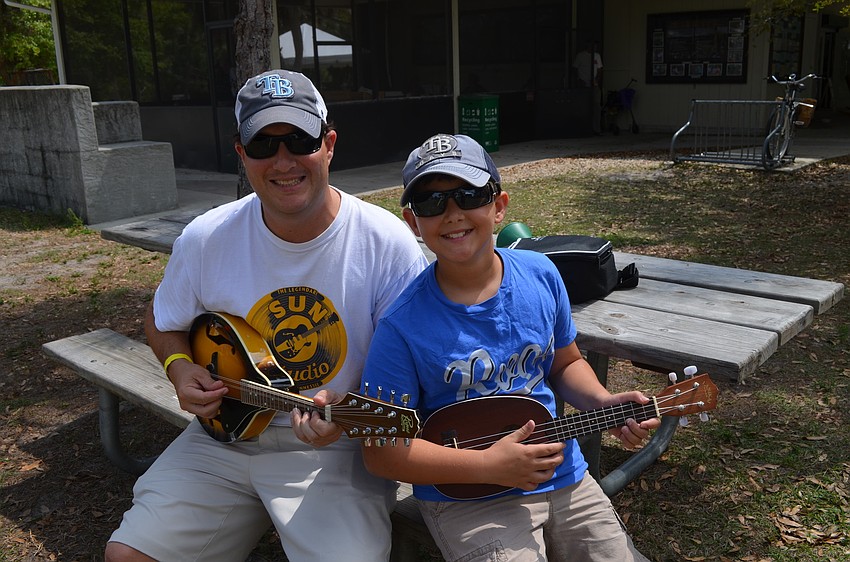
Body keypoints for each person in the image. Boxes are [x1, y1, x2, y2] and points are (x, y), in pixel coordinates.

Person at [105, 69, 429, 561]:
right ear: (241, 155)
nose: (283, 161)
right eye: (263, 145)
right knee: (129, 556)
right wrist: (179, 367)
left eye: (300, 139)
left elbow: (412, 371)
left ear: (329, 144)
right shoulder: (206, 237)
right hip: (221, 439)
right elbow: (162, 319)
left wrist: (346, 416)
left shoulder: (387, 245)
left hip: (334, 452)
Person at [359, 133, 659, 561]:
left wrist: (603, 402)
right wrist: (489, 466)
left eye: (468, 195)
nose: (452, 214)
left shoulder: (541, 275)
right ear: (413, 223)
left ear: (498, 207)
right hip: (467, 496)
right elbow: (381, 451)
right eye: (431, 203)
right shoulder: (402, 324)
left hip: (562, 472)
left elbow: (564, 362)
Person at [573, 41, 604, 134]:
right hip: (583, 85)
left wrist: (597, 80)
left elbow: (600, 69)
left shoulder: (597, 56)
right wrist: (579, 80)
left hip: (594, 85)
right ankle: (582, 129)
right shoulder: (580, 56)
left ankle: (596, 129)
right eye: (593, 46)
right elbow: (574, 68)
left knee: (596, 107)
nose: (595, 48)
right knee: (582, 107)